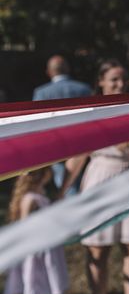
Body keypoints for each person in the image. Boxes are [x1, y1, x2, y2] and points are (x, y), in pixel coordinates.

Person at [64, 60, 129, 294]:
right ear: (101, 82)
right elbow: (76, 160)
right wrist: (61, 191)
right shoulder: (90, 113)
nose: (120, 84)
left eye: (124, 78)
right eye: (114, 79)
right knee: (97, 249)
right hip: (100, 183)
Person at [4, 167, 69, 294]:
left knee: (32, 293)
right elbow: (25, 226)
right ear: (43, 175)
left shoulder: (39, 195)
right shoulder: (30, 199)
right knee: (34, 292)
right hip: (34, 254)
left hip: (40, 250)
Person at [32, 55, 92, 193]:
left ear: (49, 72)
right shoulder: (84, 89)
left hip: (55, 146)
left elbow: (36, 123)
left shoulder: (41, 93)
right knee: (80, 180)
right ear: (68, 69)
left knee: (64, 185)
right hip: (81, 143)